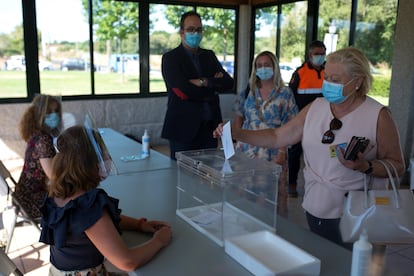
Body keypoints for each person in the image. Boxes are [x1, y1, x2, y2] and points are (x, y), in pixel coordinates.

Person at [214, 47, 405, 248]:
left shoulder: (378, 116)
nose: (328, 84)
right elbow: (277, 136)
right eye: (326, 77)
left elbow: (397, 166)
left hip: (357, 214)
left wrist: (365, 166)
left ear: (357, 81)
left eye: (336, 79)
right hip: (315, 208)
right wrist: (237, 133)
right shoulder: (316, 107)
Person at [40, 125, 172, 275]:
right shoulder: (87, 205)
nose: (107, 158)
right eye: (102, 154)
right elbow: (127, 262)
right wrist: (159, 241)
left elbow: (99, 222)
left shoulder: (59, 192)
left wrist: (139, 225)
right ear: (87, 163)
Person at [161, 11, 234, 160]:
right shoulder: (170, 59)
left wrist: (204, 82)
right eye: (190, 29)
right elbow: (184, 91)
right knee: (181, 177)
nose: (195, 33)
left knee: (208, 176)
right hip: (182, 130)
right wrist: (213, 86)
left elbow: (228, 83)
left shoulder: (209, 56)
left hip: (210, 129)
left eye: (199, 29)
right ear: (182, 32)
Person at [233, 51, 298, 216]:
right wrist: (236, 142)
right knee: (246, 189)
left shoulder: (285, 93)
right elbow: (239, 116)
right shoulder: (249, 91)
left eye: (267, 65)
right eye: (259, 65)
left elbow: (290, 125)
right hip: (247, 149)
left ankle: (274, 229)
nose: (263, 68)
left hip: (274, 149)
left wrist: (282, 151)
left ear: (274, 67)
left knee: (273, 193)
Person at [288, 40, 326, 197]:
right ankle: (292, 184)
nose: (320, 57)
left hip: (322, 121)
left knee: (320, 153)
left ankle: (320, 184)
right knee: (295, 153)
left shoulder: (329, 72)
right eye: (317, 54)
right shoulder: (299, 73)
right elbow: (290, 96)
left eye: (322, 53)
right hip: (302, 120)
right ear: (310, 55)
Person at [15, 94, 62, 218]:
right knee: (78, 202)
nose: (54, 115)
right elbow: (53, 175)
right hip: (32, 201)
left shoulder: (37, 135)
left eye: (56, 111)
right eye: (49, 112)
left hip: (23, 197)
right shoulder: (43, 139)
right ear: (39, 114)